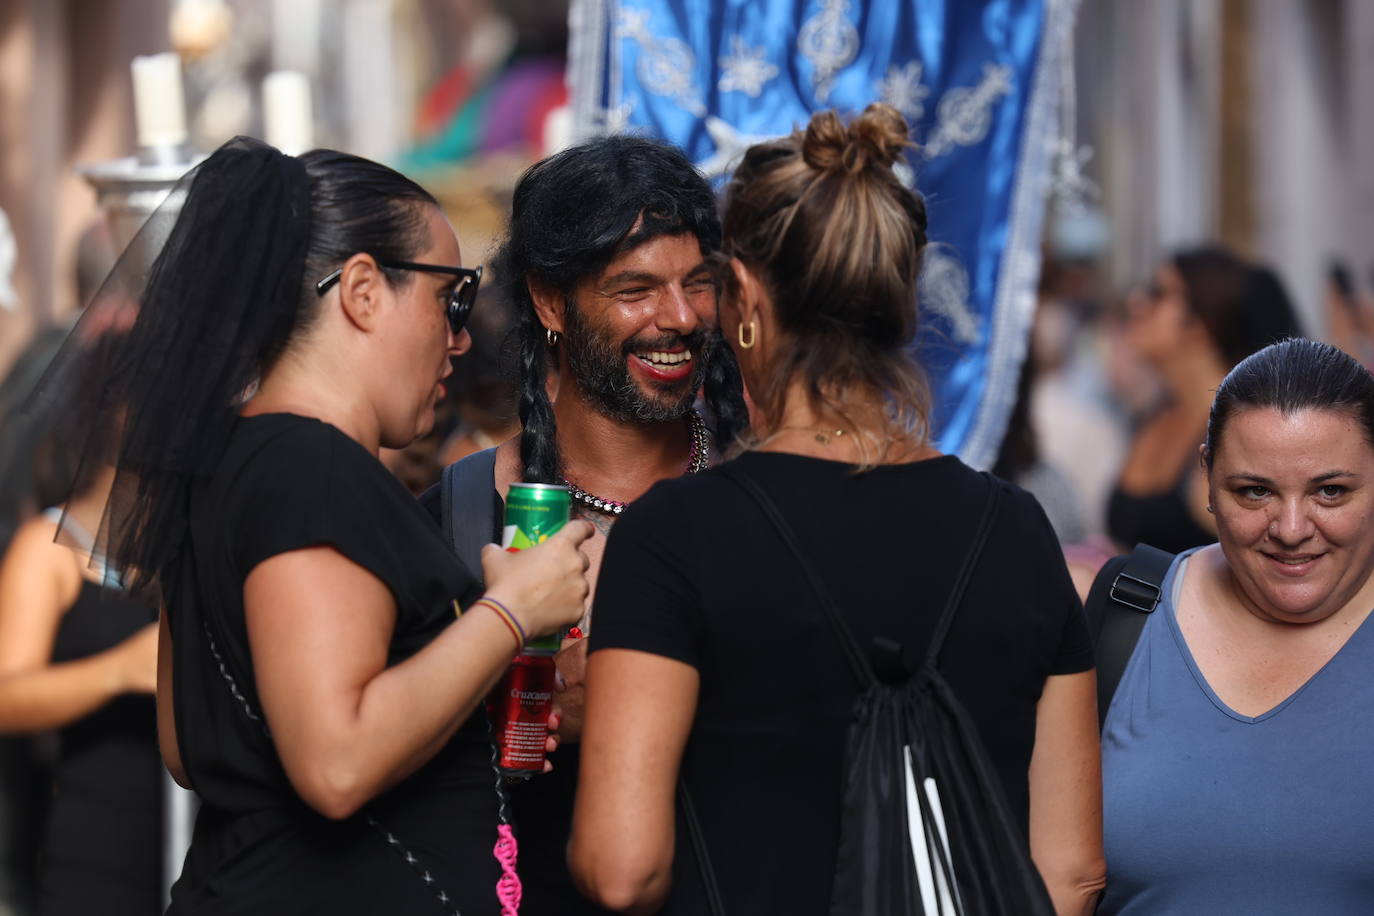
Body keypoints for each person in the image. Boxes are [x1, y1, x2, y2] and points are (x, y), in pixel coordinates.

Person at [569, 104, 1104, 915]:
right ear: (903, 303)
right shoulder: (1018, 529)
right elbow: (1070, 873)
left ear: (742, 294)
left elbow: (622, 867)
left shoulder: (673, 538)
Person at [39, 137, 591, 915]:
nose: (461, 338)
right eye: (451, 297)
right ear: (363, 290)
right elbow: (336, 763)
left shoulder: (234, 461)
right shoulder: (313, 468)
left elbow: (189, 746)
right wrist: (513, 613)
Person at [420, 133, 747, 914]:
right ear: (548, 300)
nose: (677, 318)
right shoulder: (461, 514)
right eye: (635, 288)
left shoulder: (762, 491)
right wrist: (519, 705)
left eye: (696, 283)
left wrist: (644, 699)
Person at [1100, 337, 1374, 913]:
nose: (1293, 527)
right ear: (1206, 476)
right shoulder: (1126, 612)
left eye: (1331, 491)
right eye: (1255, 491)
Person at [0, 332, 161, 915]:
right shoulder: (48, 548)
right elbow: (7, 695)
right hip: (90, 861)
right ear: (112, 412)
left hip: (185, 856)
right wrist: (119, 671)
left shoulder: (179, 550)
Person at [1106, 247, 1302, 553]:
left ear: (1202, 322)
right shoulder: (1157, 414)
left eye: (1158, 294)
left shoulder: (1242, 430)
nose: (1137, 304)